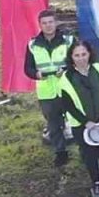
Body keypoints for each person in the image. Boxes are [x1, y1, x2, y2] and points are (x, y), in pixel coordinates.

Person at [59, 39, 99, 197]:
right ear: (71, 57)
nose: (81, 58)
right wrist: (85, 122)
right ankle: (96, 183)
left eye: (84, 54)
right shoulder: (66, 78)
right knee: (89, 154)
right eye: (77, 55)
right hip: (82, 124)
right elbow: (68, 104)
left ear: (89, 54)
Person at [25, 9, 74, 166]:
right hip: (46, 91)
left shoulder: (69, 40)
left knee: (76, 119)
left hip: (67, 88)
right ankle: (61, 152)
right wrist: (37, 74)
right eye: (44, 23)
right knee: (53, 124)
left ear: (56, 23)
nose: (48, 26)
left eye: (51, 22)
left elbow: (78, 60)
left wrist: (66, 70)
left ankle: (85, 147)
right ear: (39, 25)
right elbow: (27, 68)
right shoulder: (33, 44)